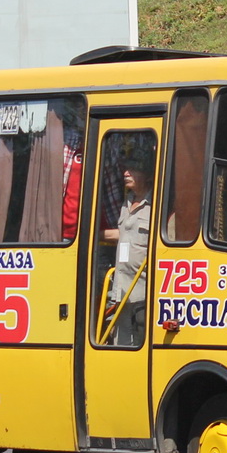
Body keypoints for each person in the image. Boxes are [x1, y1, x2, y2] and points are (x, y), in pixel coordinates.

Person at [103, 145, 154, 347]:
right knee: (120, 344)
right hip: (121, 289)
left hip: (142, 292)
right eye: (125, 168)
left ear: (147, 174)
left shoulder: (157, 205)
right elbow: (124, 233)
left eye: (132, 169)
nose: (125, 173)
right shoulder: (127, 202)